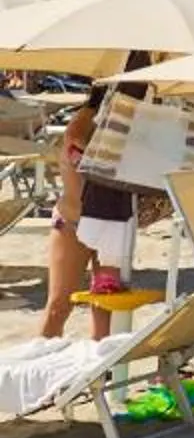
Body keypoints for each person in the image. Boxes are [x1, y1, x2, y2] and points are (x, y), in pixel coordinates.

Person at [44, 97, 140, 341]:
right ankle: (39, 367)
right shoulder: (84, 124)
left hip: (113, 223)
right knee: (59, 305)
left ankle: (100, 374)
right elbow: (76, 143)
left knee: (105, 305)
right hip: (72, 223)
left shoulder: (133, 122)